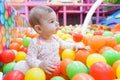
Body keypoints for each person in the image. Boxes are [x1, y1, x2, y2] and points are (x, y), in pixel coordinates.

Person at [26, 5, 86, 79]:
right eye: (52, 21)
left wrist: (74, 46)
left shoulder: (55, 38)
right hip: (44, 74)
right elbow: (30, 58)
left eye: (56, 20)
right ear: (39, 28)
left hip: (58, 70)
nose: (57, 23)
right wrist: (40, 64)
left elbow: (64, 44)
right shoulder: (35, 43)